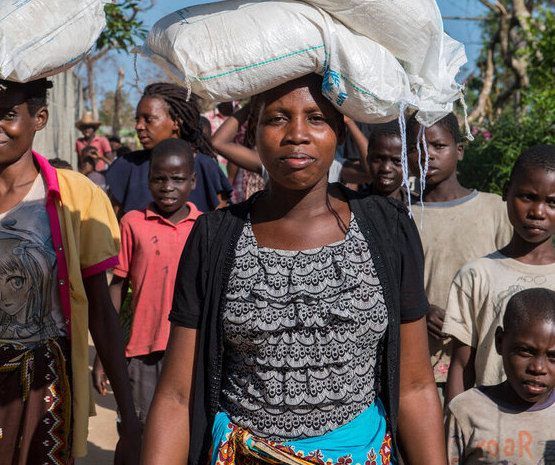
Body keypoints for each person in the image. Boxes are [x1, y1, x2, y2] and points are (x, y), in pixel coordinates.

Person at [142, 75, 444, 465]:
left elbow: (416, 387)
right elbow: (176, 395)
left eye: (316, 118)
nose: (296, 134)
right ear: (253, 131)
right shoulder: (214, 237)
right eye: (278, 118)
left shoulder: (388, 228)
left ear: (338, 130)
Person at [0, 76, 140, 464]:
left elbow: (100, 311)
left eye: (7, 114)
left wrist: (130, 417)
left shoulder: (76, 198)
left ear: (39, 118)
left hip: (44, 387)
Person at [92, 139, 201, 423]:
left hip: (190, 349)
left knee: (184, 431)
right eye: (159, 179)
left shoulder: (205, 227)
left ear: (192, 181)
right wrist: (104, 351)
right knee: (140, 427)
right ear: (148, 179)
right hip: (142, 348)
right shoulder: (132, 223)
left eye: (177, 179)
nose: (167, 187)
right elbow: (118, 288)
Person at [443, 144, 555, 404]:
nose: (538, 212)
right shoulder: (475, 276)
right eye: (527, 197)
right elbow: (461, 367)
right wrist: (455, 431)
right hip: (490, 429)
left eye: (551, 202)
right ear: (506, 192)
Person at [407, 112, 513, 388]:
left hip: (491, 369)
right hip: (425, 375)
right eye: (415, 148)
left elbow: (515, 279)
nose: (426, 155)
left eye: (438, 146)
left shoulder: (496, 211)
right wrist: (421, 309)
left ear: (460, 150)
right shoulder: (401, 217)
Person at [445, 288, 555, 465]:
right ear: (500, 341)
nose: (538, 368)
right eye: (525, 352)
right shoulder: (466, 410)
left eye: (553, 357)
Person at [106, 83, 232, 216]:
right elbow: (114, 228)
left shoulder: (206, 168)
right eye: (137, 120)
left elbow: (220, 228)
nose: (139, 126)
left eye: (149, 120)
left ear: (176, 121)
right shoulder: (126, 166)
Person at [364, 121, 405, 200]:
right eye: (379, 158)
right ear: (368, 159)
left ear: (408, 165)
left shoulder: (417, 208)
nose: (386, 168)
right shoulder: (352, 206)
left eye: (396, 161)